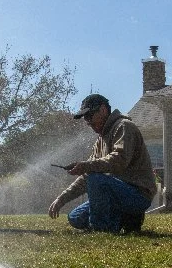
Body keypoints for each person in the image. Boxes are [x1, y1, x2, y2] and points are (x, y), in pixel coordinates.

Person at [48, 94, 156, 233]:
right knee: (75, 217)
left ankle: (102, 228)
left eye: (90, 115)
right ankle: (127, 219)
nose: (88, 121)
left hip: (138, 195)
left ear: (103, 110)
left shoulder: (124, 126)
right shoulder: (100, 141)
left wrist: (86, 166)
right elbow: (87, 176)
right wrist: (61, 199)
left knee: (96, 179)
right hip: (116, 195)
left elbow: (120, 160)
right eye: (85, 118)